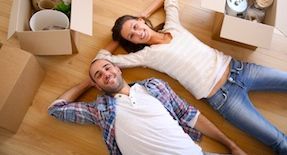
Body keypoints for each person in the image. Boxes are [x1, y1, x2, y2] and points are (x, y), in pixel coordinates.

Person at [95, 0, 287, 154]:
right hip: (225, 99)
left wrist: (142, 15)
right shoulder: (145, 56)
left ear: (141, 21)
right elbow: (101, 58)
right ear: (132, 43)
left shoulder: (173, 26)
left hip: (240, 69)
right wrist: (120, 38)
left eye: (136, 26)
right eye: (131, 36)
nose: (138, 33)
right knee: (278, 141)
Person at [48, 59, 246, 155]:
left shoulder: (154, 86)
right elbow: (56, 109)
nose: (105, 74)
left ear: (118, 68)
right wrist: (88, 82)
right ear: (98, 86)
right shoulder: (100, 110)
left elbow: (191, 115)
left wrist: (232, 145)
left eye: (107, 68)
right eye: (99, 75)